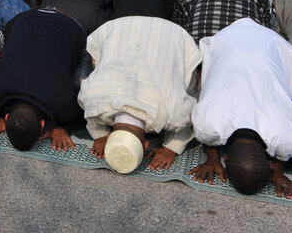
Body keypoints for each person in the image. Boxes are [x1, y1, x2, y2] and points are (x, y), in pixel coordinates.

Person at [189, 18, 292, 198]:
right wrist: (212, 160)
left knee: (290, 92)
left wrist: (212, 159)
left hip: (260, 43)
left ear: (225, 158)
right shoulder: (207, 124)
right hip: (241, 41)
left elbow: (283, 152)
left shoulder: (286, 138)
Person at [78, 16, 202, 174]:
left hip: (172, 34)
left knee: (186, 88)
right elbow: (91, 115)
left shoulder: (173, 113)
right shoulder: (92, 97)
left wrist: (171, 148)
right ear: (145, 145)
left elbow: (190, 119)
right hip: (123, 28)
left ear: (145, 145)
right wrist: (101, 134)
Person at [0, 8, 88, 152]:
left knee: (86, 87)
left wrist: (62, 127)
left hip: (72, 26)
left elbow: (82, 108)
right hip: (24, 18)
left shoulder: (64, 103)